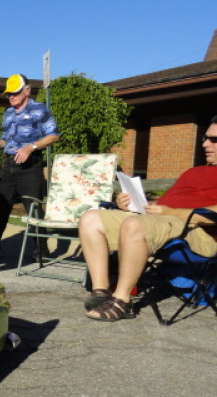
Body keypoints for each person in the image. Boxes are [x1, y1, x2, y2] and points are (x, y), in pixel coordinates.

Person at [78, 115, 217, 322]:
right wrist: (131, 203)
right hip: (162, 221)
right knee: (91, 218)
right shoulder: (194, 172)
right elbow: (164, 202)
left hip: (198, 231)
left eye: (214, 140)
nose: (205, 143)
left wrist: (172, 212)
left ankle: (123, 301)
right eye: (206, 138)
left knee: (135, 224)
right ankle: (101, 291)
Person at [0, 74, 60, 259]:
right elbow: (7, 140)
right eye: (8, 94)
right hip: (9, 165)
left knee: (33, 209)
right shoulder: (9, 113)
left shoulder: (39, 110)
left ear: (27, 91)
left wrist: (31, 147)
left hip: (30, 166)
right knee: (0, 208)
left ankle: (41, 252)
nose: (11, 97)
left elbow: (54, 135)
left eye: (15, 93)